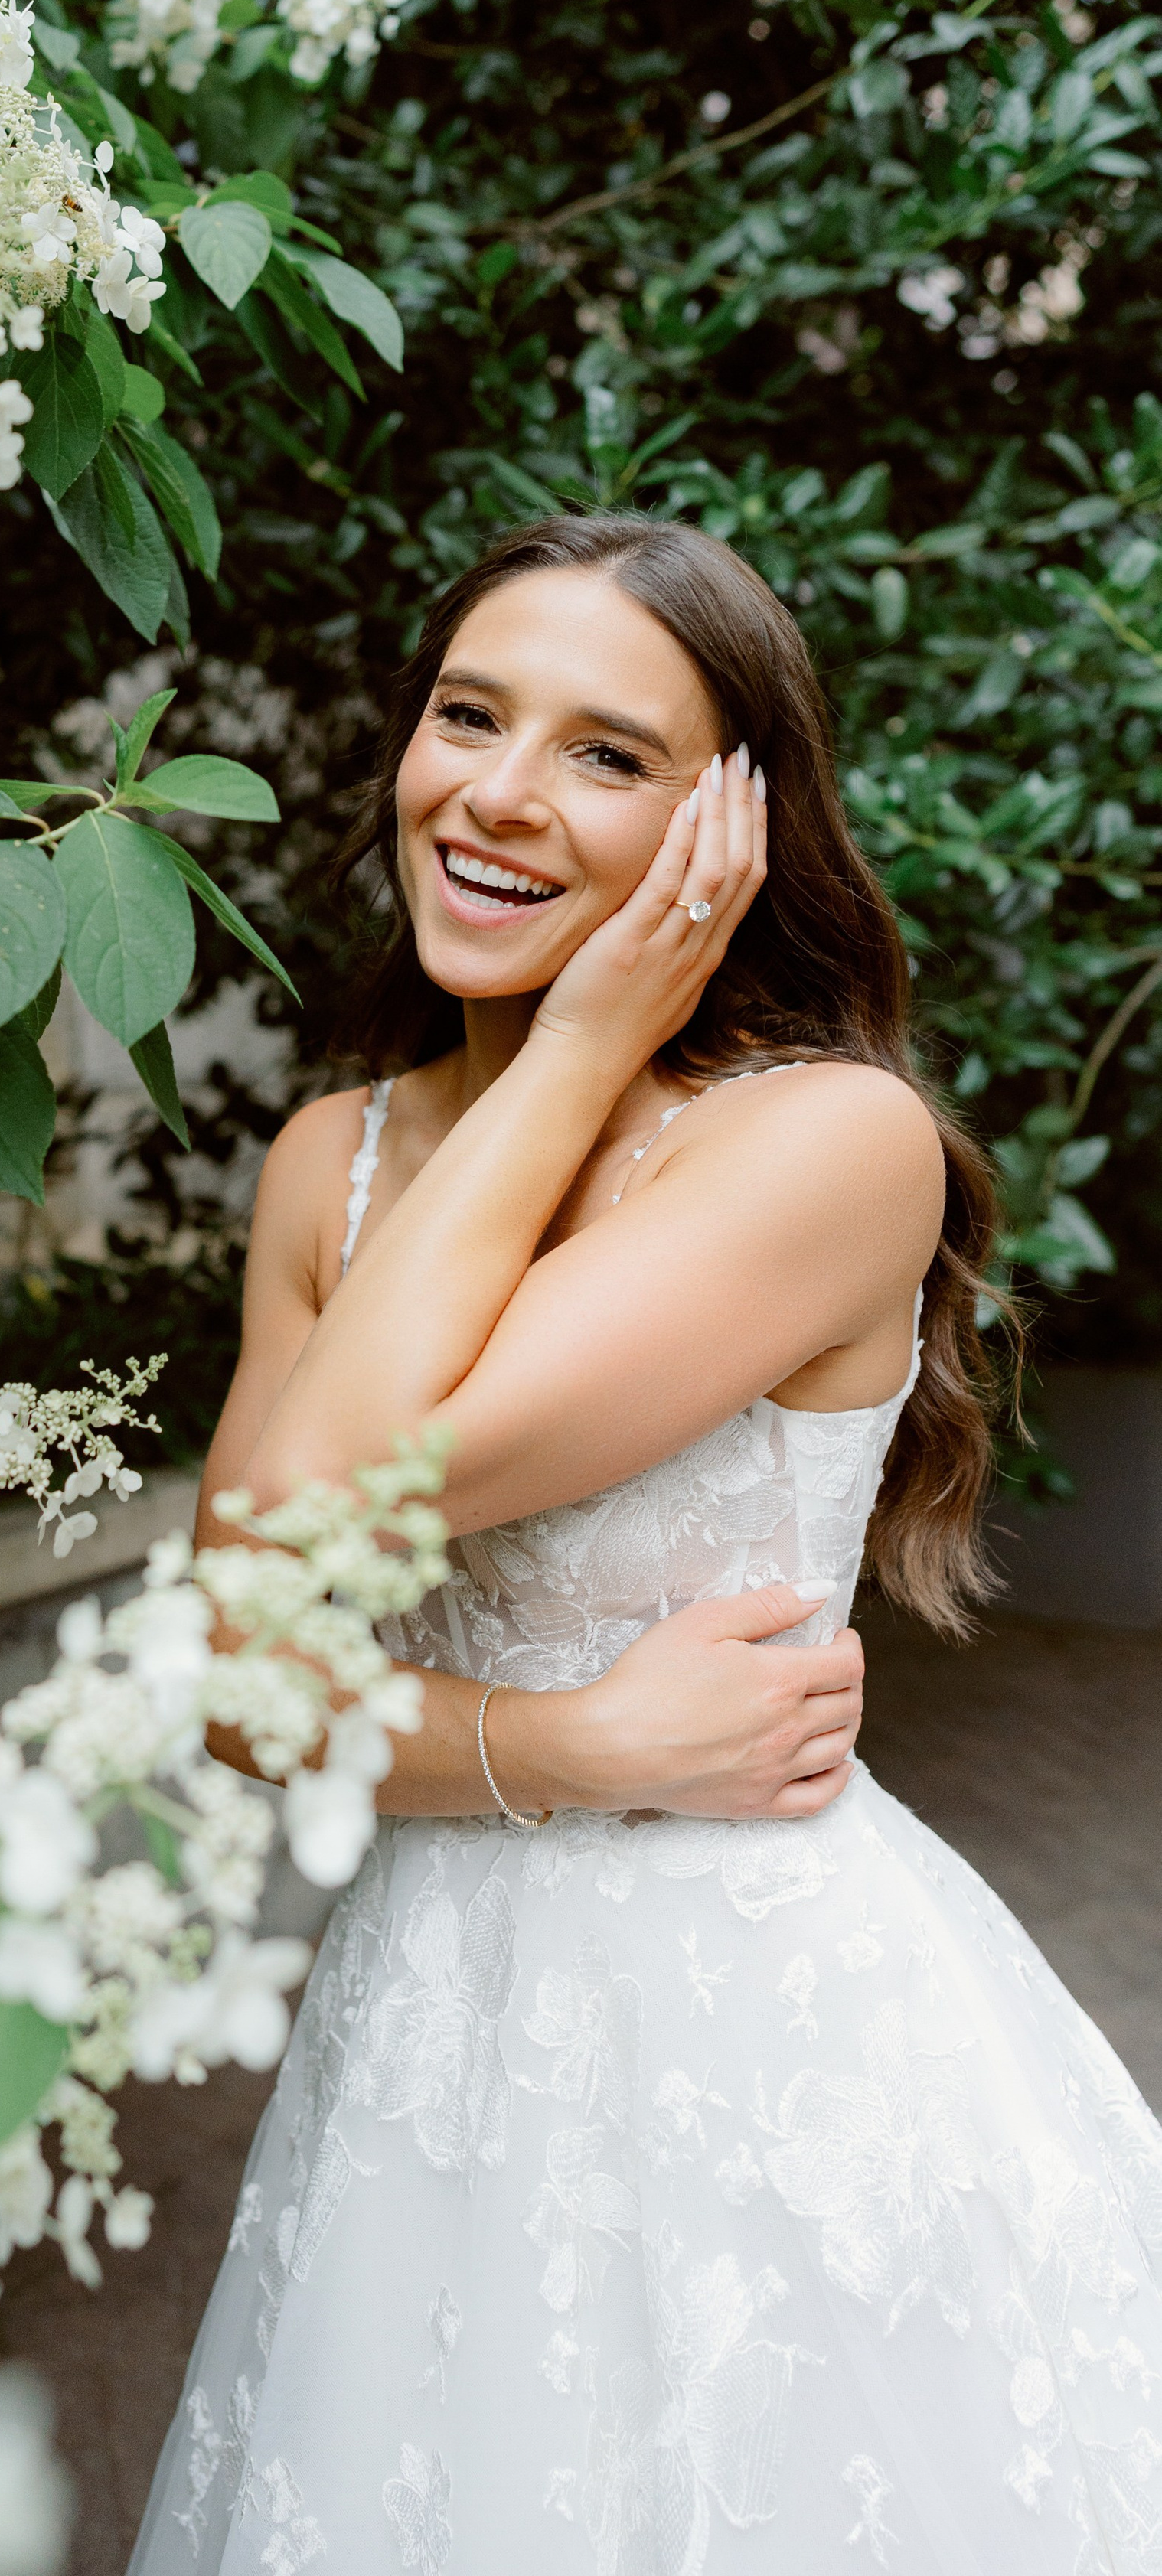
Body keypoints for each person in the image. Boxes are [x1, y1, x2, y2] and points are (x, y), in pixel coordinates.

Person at [128, 515, 1162, 2575]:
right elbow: (241, 1670)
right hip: (429, 2024)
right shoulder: (332, 1162)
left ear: (729, 831)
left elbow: (351, 1499)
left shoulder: (825, 1147)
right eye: (468, 716)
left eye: (608, 755)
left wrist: (597, 1045)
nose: (500, 793)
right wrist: (579, 1750)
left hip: (762, 2033)